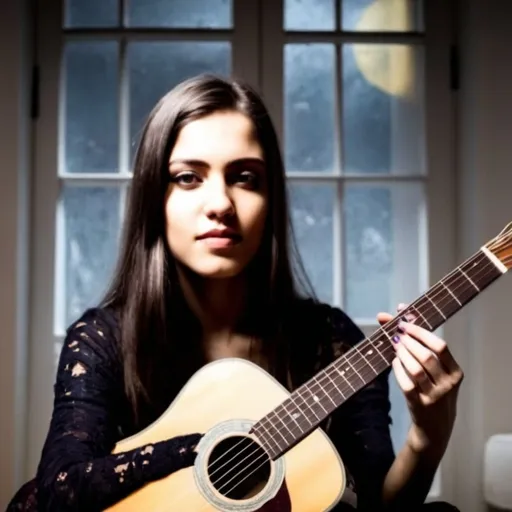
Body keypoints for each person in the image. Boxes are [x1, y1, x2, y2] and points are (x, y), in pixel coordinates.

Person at [7, 74, 463, 512]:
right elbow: (58, 492)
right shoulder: (102, 339)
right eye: (188, 177)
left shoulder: (329, 339)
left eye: (245, 177)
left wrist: (428, 435)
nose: (221, 204)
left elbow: (378, 505)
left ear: (271, 199)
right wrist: (207, 451)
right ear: (154, 198)